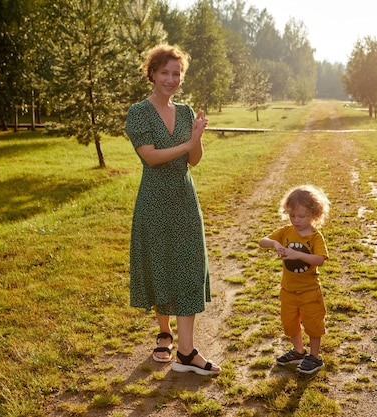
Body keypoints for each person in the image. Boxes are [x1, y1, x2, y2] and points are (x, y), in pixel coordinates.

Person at [125, 44, 221, 376]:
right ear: (151, 73)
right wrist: (186, 143)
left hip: (184, 197)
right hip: (154, 200)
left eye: (176, 73)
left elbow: (193, 160)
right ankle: (164, 333)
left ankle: (186, 351)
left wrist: (196, 139)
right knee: (160, 263)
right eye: (164, 72)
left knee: (189, 265)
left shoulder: (185, 111)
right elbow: (150, 156)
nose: (171, 79)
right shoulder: (138, 112)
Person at [258, 185, 330, 374]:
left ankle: (314, 357)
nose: (296, 220)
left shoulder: (315, 237)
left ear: (314, 215)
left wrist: (297, 254)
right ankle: (299, 351)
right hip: (288, 290)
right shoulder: (286, 232)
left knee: (313, 325)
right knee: (289, 323)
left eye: (302, 216)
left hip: (309, 291)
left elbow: (319, 260)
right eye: (292, 216)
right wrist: (274, 243)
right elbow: (262, 242)